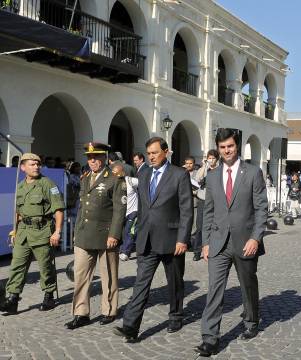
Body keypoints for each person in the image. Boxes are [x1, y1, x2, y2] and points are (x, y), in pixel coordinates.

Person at [195, 128, 268, 357]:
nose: (227, 150)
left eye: (231, 146)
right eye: (222, 147)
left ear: (238, 147)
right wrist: (205, 242)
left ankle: (251, 320)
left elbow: (261, 209)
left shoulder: (253, 173)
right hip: (218, 243)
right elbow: (208, 211)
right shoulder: (213, 175)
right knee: (215, 289)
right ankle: (210, 337)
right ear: (218, 148)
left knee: (248, 285)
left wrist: (256, 238)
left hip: (245, 242)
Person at [114, 137, 193, 341]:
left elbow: (186, 210)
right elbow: (143, 205)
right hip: (146, 239)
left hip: (171, 239)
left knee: (174, 282)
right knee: (141, 283)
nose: (151, 157)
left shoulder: (179, 174)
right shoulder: (144, 172)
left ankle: (176, 315)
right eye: (148, 153)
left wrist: (182, 239)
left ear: (165, 152)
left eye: (155, 153)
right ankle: (131, 326)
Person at [65, 143, 127, 330]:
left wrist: (114, 234)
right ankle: (80, 313)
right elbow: (82, 208)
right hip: (84, 235)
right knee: (80, 275)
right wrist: (77, 233)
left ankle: (109, 310)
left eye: (96, 157)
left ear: (104, 158)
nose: (92, 161)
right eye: (89, 158)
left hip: (106, 235)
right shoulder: (85, 179)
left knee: (108, 275)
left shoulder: (115, 179)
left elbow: (119, 210)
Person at [0, 153, 64, 314]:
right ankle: (13, 299)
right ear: (23, 167)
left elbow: (58, 210)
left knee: (45, 266)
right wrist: (15, 229)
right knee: (16, 266)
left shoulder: (47, 184)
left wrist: (57, 232)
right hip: (23, 232)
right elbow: (18, 211)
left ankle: (49, 294)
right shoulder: (20, 186)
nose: (36, 167)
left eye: (38, 164)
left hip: (42, 230)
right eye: (32, 164)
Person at [192, 149, 220, 262]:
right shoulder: (204, 170)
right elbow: (197, 179)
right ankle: (197, 251)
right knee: (199, 226)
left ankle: (212, 249)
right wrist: (204, 166)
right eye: (209, 158)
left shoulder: (219, 170)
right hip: (203, 200)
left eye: (213, 158)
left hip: (216, 201)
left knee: (214, 226)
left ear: (217, 159)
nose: (211, 160)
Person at [112, 163, 139, 262]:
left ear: (122, 172)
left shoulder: (131, 181)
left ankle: (125, 252)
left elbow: (146, 183)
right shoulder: (113, 183)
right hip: (121, 213)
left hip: (133, 211)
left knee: (130, 231)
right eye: (114, 173)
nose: (115, 175)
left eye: (117, 173)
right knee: (124, 232)